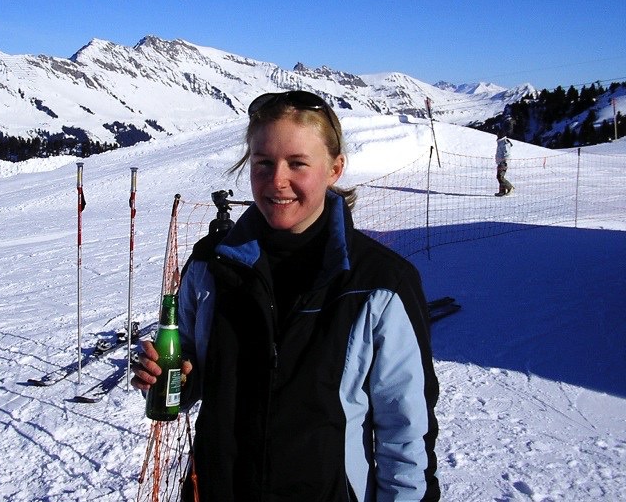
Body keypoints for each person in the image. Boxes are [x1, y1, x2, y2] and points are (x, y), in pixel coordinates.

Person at [132, 90, 441, 501]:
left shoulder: (380, 283)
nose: (277, 181)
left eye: (297, 163)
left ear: (334, 169)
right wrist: (170, 377)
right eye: (263, 164)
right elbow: (190, 366)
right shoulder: (210, 266)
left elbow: (405, 433)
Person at [495, 129, 514, 196]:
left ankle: (510, 187)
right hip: (500, 162)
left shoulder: (505, 142)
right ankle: (502, 191)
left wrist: (505, 161)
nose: (497, 135)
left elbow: (507, 153)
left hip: (503, 162)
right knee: (499, 176)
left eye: (498, 134)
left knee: (500, 177)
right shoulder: (500, 142)